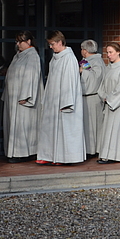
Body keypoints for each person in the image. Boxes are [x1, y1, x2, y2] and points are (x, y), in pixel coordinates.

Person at [36, 30, 85, 165]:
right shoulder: (55, 58)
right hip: (53, 100)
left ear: (60, 42)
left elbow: (70, 82)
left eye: (52, 44)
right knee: (50, 129)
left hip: (63, 101)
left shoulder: (69, 58)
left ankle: (64, 157)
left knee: (65, 130)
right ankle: (49, 155)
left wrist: (66, 103)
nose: (50, 47)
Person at [2, 30, 42, 162]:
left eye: (20, 41)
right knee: (15, 125)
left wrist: (26, 95)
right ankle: (13, 152)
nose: (17, 44)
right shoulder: (18, 55)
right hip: (13, 97)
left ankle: (23, 153)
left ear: (28, 41)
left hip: (22, 99)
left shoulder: (32, 56)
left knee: (23, 125)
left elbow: (31, 76)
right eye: (17, 41)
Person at [79, 39, 106, 158]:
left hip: (92, 97)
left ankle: (92, 150)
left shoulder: (95, 61)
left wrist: (82, 71)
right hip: (89, 97)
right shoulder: (90, 61)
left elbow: (94, 78)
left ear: (85, 51)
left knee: (92, 125)